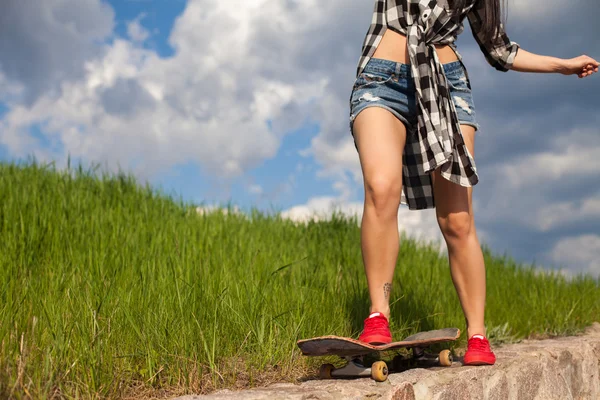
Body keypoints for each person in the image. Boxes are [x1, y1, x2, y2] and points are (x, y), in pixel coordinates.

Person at [348, 0, 598, 365]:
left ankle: (478, 335)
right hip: (382, 80)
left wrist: (563, 65)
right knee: (382, 187)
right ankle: (378, 314)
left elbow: (500, 50)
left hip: (447, 87)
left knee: (458, 219)